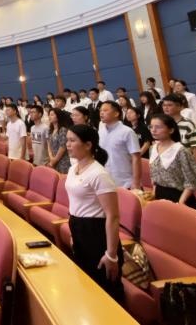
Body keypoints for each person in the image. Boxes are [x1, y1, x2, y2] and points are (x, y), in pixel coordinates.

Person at [65, 124, 123, 302]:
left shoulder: (99, 174)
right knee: (85, 284)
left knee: (104, 288)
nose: (68, 144)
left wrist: (111, 255)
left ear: (88, 145)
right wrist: (73, 233)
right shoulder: (73, 168)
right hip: (78, 228)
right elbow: (75, 203)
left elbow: (113, 216)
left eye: (72, 141)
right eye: (67, 140)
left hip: (96, 233)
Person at [148, 114, 196, 209]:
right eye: (151, 127)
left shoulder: (181, 150)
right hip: (160, 195)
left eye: (158, 127)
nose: (153, 130)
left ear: (171, 130)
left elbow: (192, 181)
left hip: (179, 197)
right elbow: (155, 178)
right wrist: (154, 193)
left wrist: (181, 202)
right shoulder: (153, 148)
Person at [98, 102, 142, 190]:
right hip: (106, 181)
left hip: (126, 182)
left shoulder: (127, 132)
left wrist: (136, 182)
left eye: (105, 110)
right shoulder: (101, 131)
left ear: (116, 113)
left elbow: (136, 157)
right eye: (101, 111)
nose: (101, 113)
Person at [161, 94, 196, 164]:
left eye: (169, 105)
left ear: (179, 107)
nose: (165, 108)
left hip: (186, 162)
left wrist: (194, 166)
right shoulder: (162, 124)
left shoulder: (188, 124)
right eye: (164, 105)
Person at [47, 108, 71, 174]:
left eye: (52, 115)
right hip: (52, 159)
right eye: (49, 115)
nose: (49, 117)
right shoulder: (50, 130)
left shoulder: (63, 130)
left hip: (62, 161)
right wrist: (51, 157)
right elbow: (48, 144)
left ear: (58, 116)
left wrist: (54, 161)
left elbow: (63, 147)